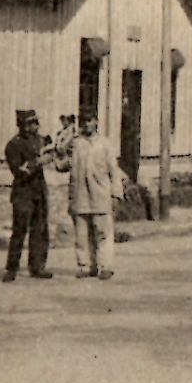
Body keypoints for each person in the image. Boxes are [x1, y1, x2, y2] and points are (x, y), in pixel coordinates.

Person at [54, 113, 123, 280]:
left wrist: (116, 193)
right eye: (83, 121)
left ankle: (106, 266)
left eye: (89, 120)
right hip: (80, 194)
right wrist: (61, 150)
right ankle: (86, 266)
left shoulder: (105, 144)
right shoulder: (75, 144)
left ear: (96, 122)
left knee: (103, 233)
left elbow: (114, 171)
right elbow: (62, 166)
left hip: (100, 195)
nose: (86, 124)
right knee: (81, 235)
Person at [2, 110, 54, 282]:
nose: (35, 127)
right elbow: (19, 171)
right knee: (19, 231)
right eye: (30, 123)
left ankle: (37, 267)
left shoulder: (41, 141)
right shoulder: (13, 145)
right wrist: (38, 162)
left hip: (39, 191)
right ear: (22, 125)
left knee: (40, 230)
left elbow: (54, 155)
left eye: (36, 123)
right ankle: (12, 268)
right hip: (23, 192)